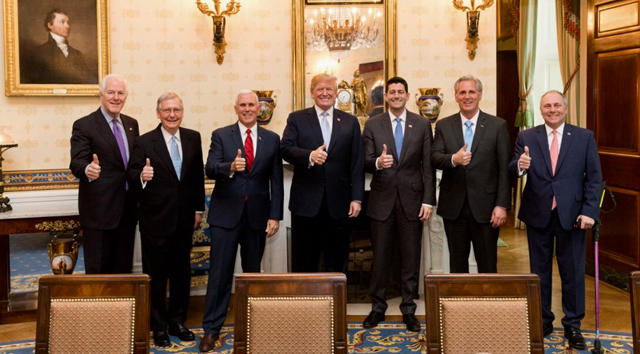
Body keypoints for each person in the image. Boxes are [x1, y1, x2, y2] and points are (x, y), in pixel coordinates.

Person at [509, 90, 602, 350]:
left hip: (573, 216)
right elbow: (512, 167)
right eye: (547, 106)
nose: (552, 110)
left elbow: (594, 179)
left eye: (557, 105)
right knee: (539, 273)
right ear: (541, 110)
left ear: (565, 108)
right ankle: (543, 320)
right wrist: (520, 165)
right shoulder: (526, 136)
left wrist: (589, 211)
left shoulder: (584, 137)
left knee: (572, 272)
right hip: (537, 213)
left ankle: (572, 324)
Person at [200, 90, 284, 352]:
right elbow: (209, 167)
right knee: (220, 275)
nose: (247, 109)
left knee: (252, 275)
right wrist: (229, 167)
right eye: (243, 105)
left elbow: (277, 181)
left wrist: (275, 215)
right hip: (225, 216)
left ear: (259, 109)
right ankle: (211, 330)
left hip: (258, 217)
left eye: (251, 105)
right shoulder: (221, 135)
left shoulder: (272, 139)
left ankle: (252, 326)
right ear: (235, 108)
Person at [128, 92, 205, 348]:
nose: (172, 115)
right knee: (157, 276)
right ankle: (158, 326)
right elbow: (132, 174)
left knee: (182, 274)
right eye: (167, 110)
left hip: (185, 220)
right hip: (155, 220)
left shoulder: (193, 137)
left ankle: (177, 321)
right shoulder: (144, 141)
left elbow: (196, 178)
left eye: (177, 110)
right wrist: (142, 174)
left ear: (182, 112)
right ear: (158, 113)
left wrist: (198, 210)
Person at [361, 77, 436, 332]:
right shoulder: (373, 125)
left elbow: (428, 166)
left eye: (399, 92)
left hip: (413, 201)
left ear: (407, 95)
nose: (395, 95)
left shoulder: (422, 124)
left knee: (410, 258)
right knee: (380, 258)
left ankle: (408, 309)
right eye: (391, 92)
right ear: (386, 97)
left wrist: (428, 200)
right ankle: (377, 308)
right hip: (381, 200)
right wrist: (377, 164)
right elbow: (365, 160)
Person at [280, 73, 365, 273]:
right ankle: (308, 303)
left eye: (329, 89)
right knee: (305, 260)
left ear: (336, 94)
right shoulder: (297, 119)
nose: (324, 93)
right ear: (312, 93)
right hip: (306, 203)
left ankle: (336, 302)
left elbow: (357, 162)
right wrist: (309, 156)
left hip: (340, 203)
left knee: (337, 259)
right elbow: (285, 148)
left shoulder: (350, 121)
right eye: (320, 89)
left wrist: (357, 198)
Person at [431, 75, 511, 273]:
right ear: (456, 96)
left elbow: (504, 169)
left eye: (472, 92)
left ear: (480, 95)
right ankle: (460, 304)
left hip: (486, 208)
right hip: (453, 208)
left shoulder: (497, 125)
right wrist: (453, 159)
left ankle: (486, 304)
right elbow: (434, 157)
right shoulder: (443, 125)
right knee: (457, 264)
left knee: (487, 263)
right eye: (462, 92)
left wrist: (501, 205)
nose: (467, 96)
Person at [69, 74, 139, 274]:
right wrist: (87, 170)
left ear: (126, 97)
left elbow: (133, 164)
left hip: (127, 210)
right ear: (101, 95)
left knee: (124, 271)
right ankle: (100, 308)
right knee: (99, 272)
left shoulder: (132, 124)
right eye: (111, 92)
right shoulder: (85, 124)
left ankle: (123, 307)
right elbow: (76, 162)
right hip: (99, 212)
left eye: (120, 93)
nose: (116, 97)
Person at [23, 8, 95, 84]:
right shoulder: (38, 53)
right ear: (50, 25)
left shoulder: (77, 54)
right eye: (62, 22)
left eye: (68, 22)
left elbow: (85, 82)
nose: (67, 26)